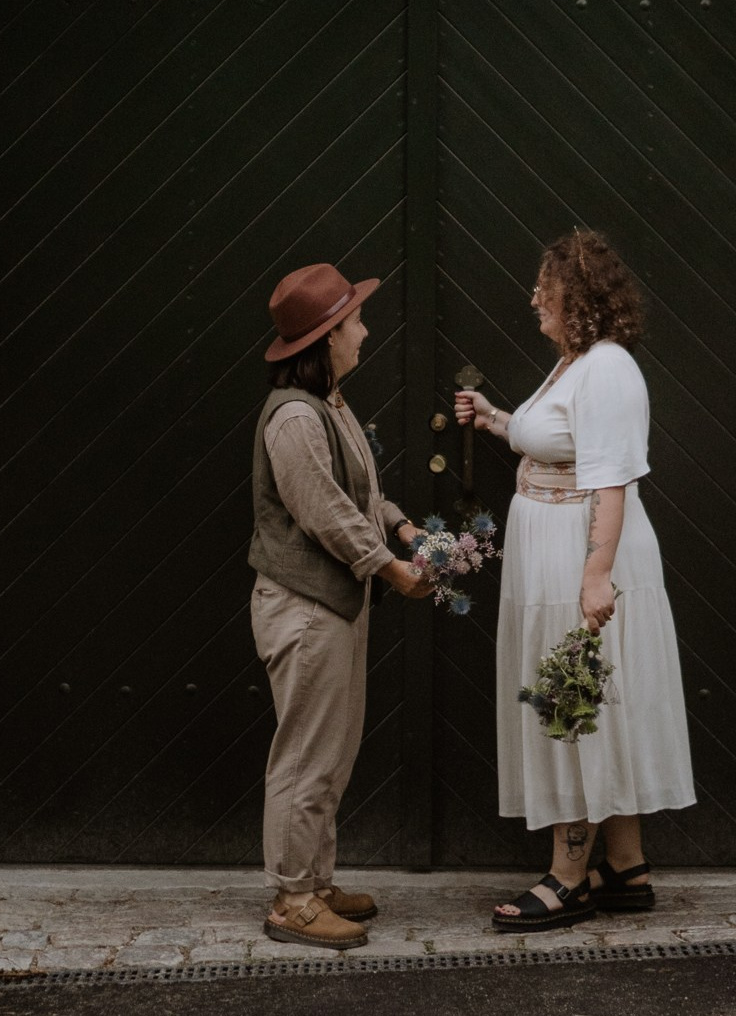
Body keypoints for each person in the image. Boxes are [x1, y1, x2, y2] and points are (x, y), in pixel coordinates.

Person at [456, 228, 696, 931]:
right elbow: (556, 441)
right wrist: (498, 420)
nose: (534, 298)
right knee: (593, 696)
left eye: (547, 290)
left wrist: (596, 579)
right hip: (552, 551)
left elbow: (612, 481)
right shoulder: (574, 365)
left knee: (579, 699)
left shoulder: (609, 370)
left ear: (580, 300)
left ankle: (570, 877)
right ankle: (626, 864)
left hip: (582, 559)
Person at [250, 261, 429, 949]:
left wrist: (403, 526)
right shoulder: (296, 417)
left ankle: (316, 880)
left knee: (333, 752)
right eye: (354, 320)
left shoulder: (331, 406)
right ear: (326, 338)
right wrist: (389, 568)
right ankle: (292, 900)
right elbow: (324, 510)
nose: (364, 329)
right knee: (305, 755)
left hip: (334, 606)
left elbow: (358, 492)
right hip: (304, 607)